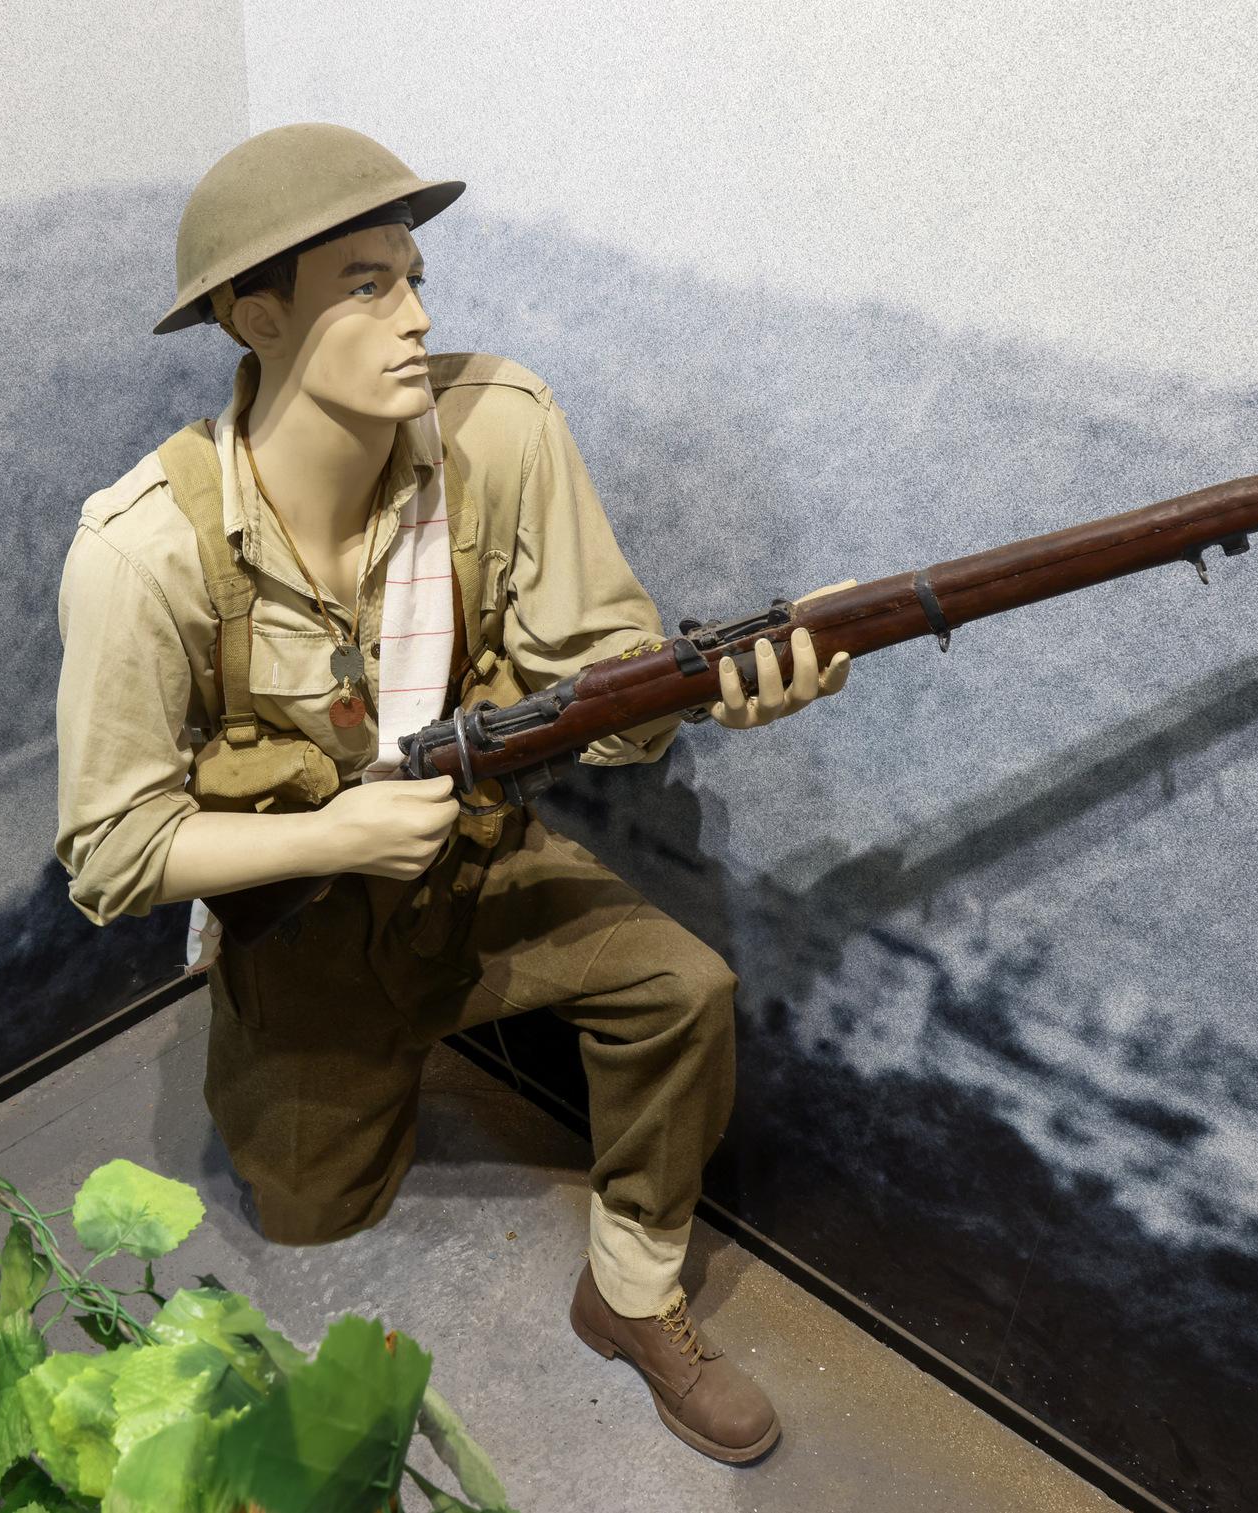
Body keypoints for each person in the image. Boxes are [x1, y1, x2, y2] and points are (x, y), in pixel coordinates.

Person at [54, 123, 851, 1465]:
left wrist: (718, 692)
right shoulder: (143, 552)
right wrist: (337, 833)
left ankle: (633, 1291)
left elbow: (599, 692)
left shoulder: (503, 430)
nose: (417, 315)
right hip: (306, 941)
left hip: (477, 874)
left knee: (683, 988)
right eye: (365, 283)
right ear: (259, 315)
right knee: (314, 1215)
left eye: (413, 275)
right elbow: (112, 855)